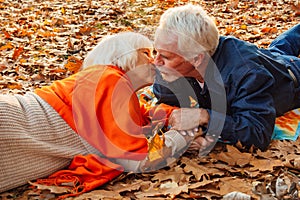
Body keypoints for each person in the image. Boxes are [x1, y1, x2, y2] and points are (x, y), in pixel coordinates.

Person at [0, 32, 192, 195]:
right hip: (12, 125)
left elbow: (146, 112)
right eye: (146, 53)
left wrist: (175, 115)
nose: (154, 61)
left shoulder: (105, 84)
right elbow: (139, 160)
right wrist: (184, 134)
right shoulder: (110, 79)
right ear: (123, 55)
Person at [152, 4, 300, 152]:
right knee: (277, 50)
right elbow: (168, 101)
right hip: (261, 58)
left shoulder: (247, 75)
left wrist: (206, 117)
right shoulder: (171, 65)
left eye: (165, 56)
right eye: (155, 52)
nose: (156, 61)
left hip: (290, 76)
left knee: (280, 58)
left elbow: (258, 133)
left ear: (196, 59)